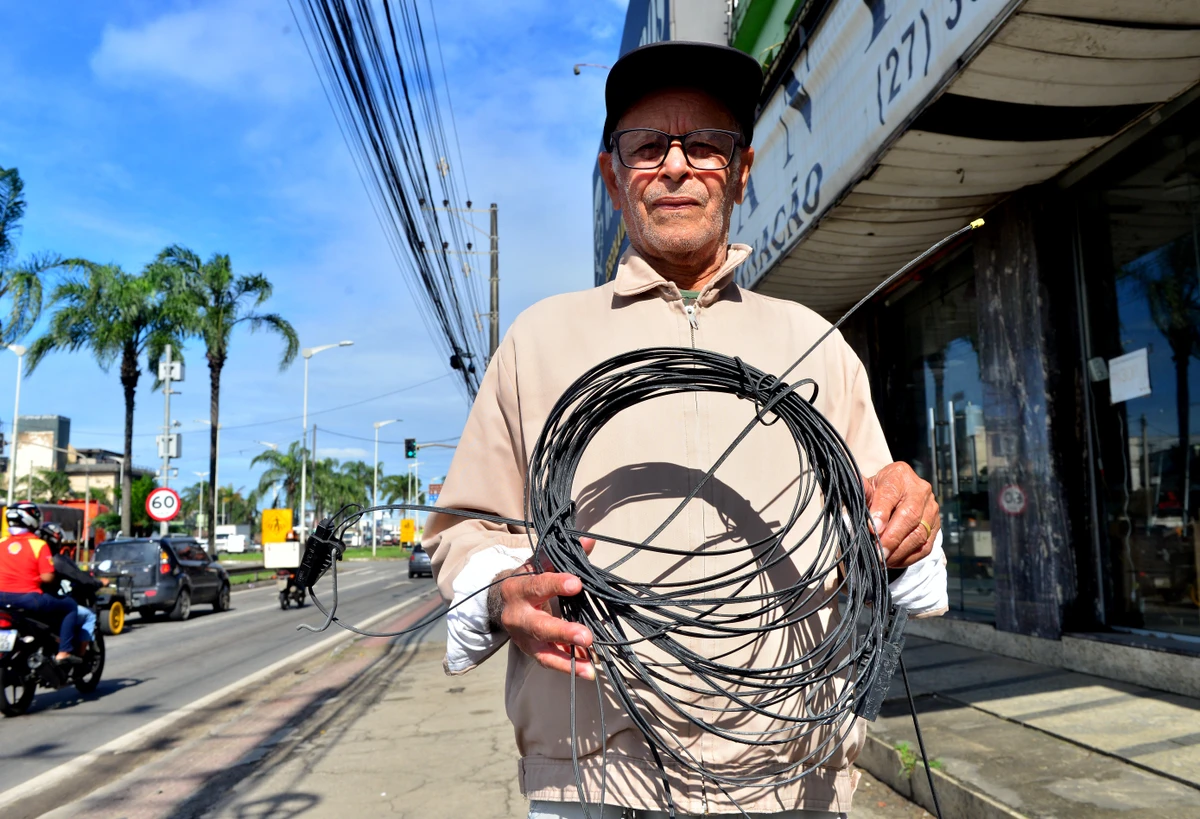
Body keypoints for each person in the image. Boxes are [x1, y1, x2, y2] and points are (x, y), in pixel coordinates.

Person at [424, 41, 949, 818]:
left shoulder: (816, 347)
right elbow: (462, 531)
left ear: (740, 173)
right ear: (613, 177)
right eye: (647, 147)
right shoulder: (537, 342)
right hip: (596, 784)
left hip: (793, 783)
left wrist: (913, 518)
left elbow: (879, 521)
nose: (675, 166)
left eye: (705, 145)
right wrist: (502, 595)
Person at [0, 501, 81, 664]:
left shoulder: (1, 543)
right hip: (29, 599)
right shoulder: (39, 545)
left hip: (1, 599)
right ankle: (63, 652)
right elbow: (47, 578)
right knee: (70, 606)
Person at [39, 522, 105, 654]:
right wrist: (99, 583)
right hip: (44, 602)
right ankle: (75, 655)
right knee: (87, 615)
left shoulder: (32, 555)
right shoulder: (56, 560)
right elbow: (79, 577)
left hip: (22, 600)